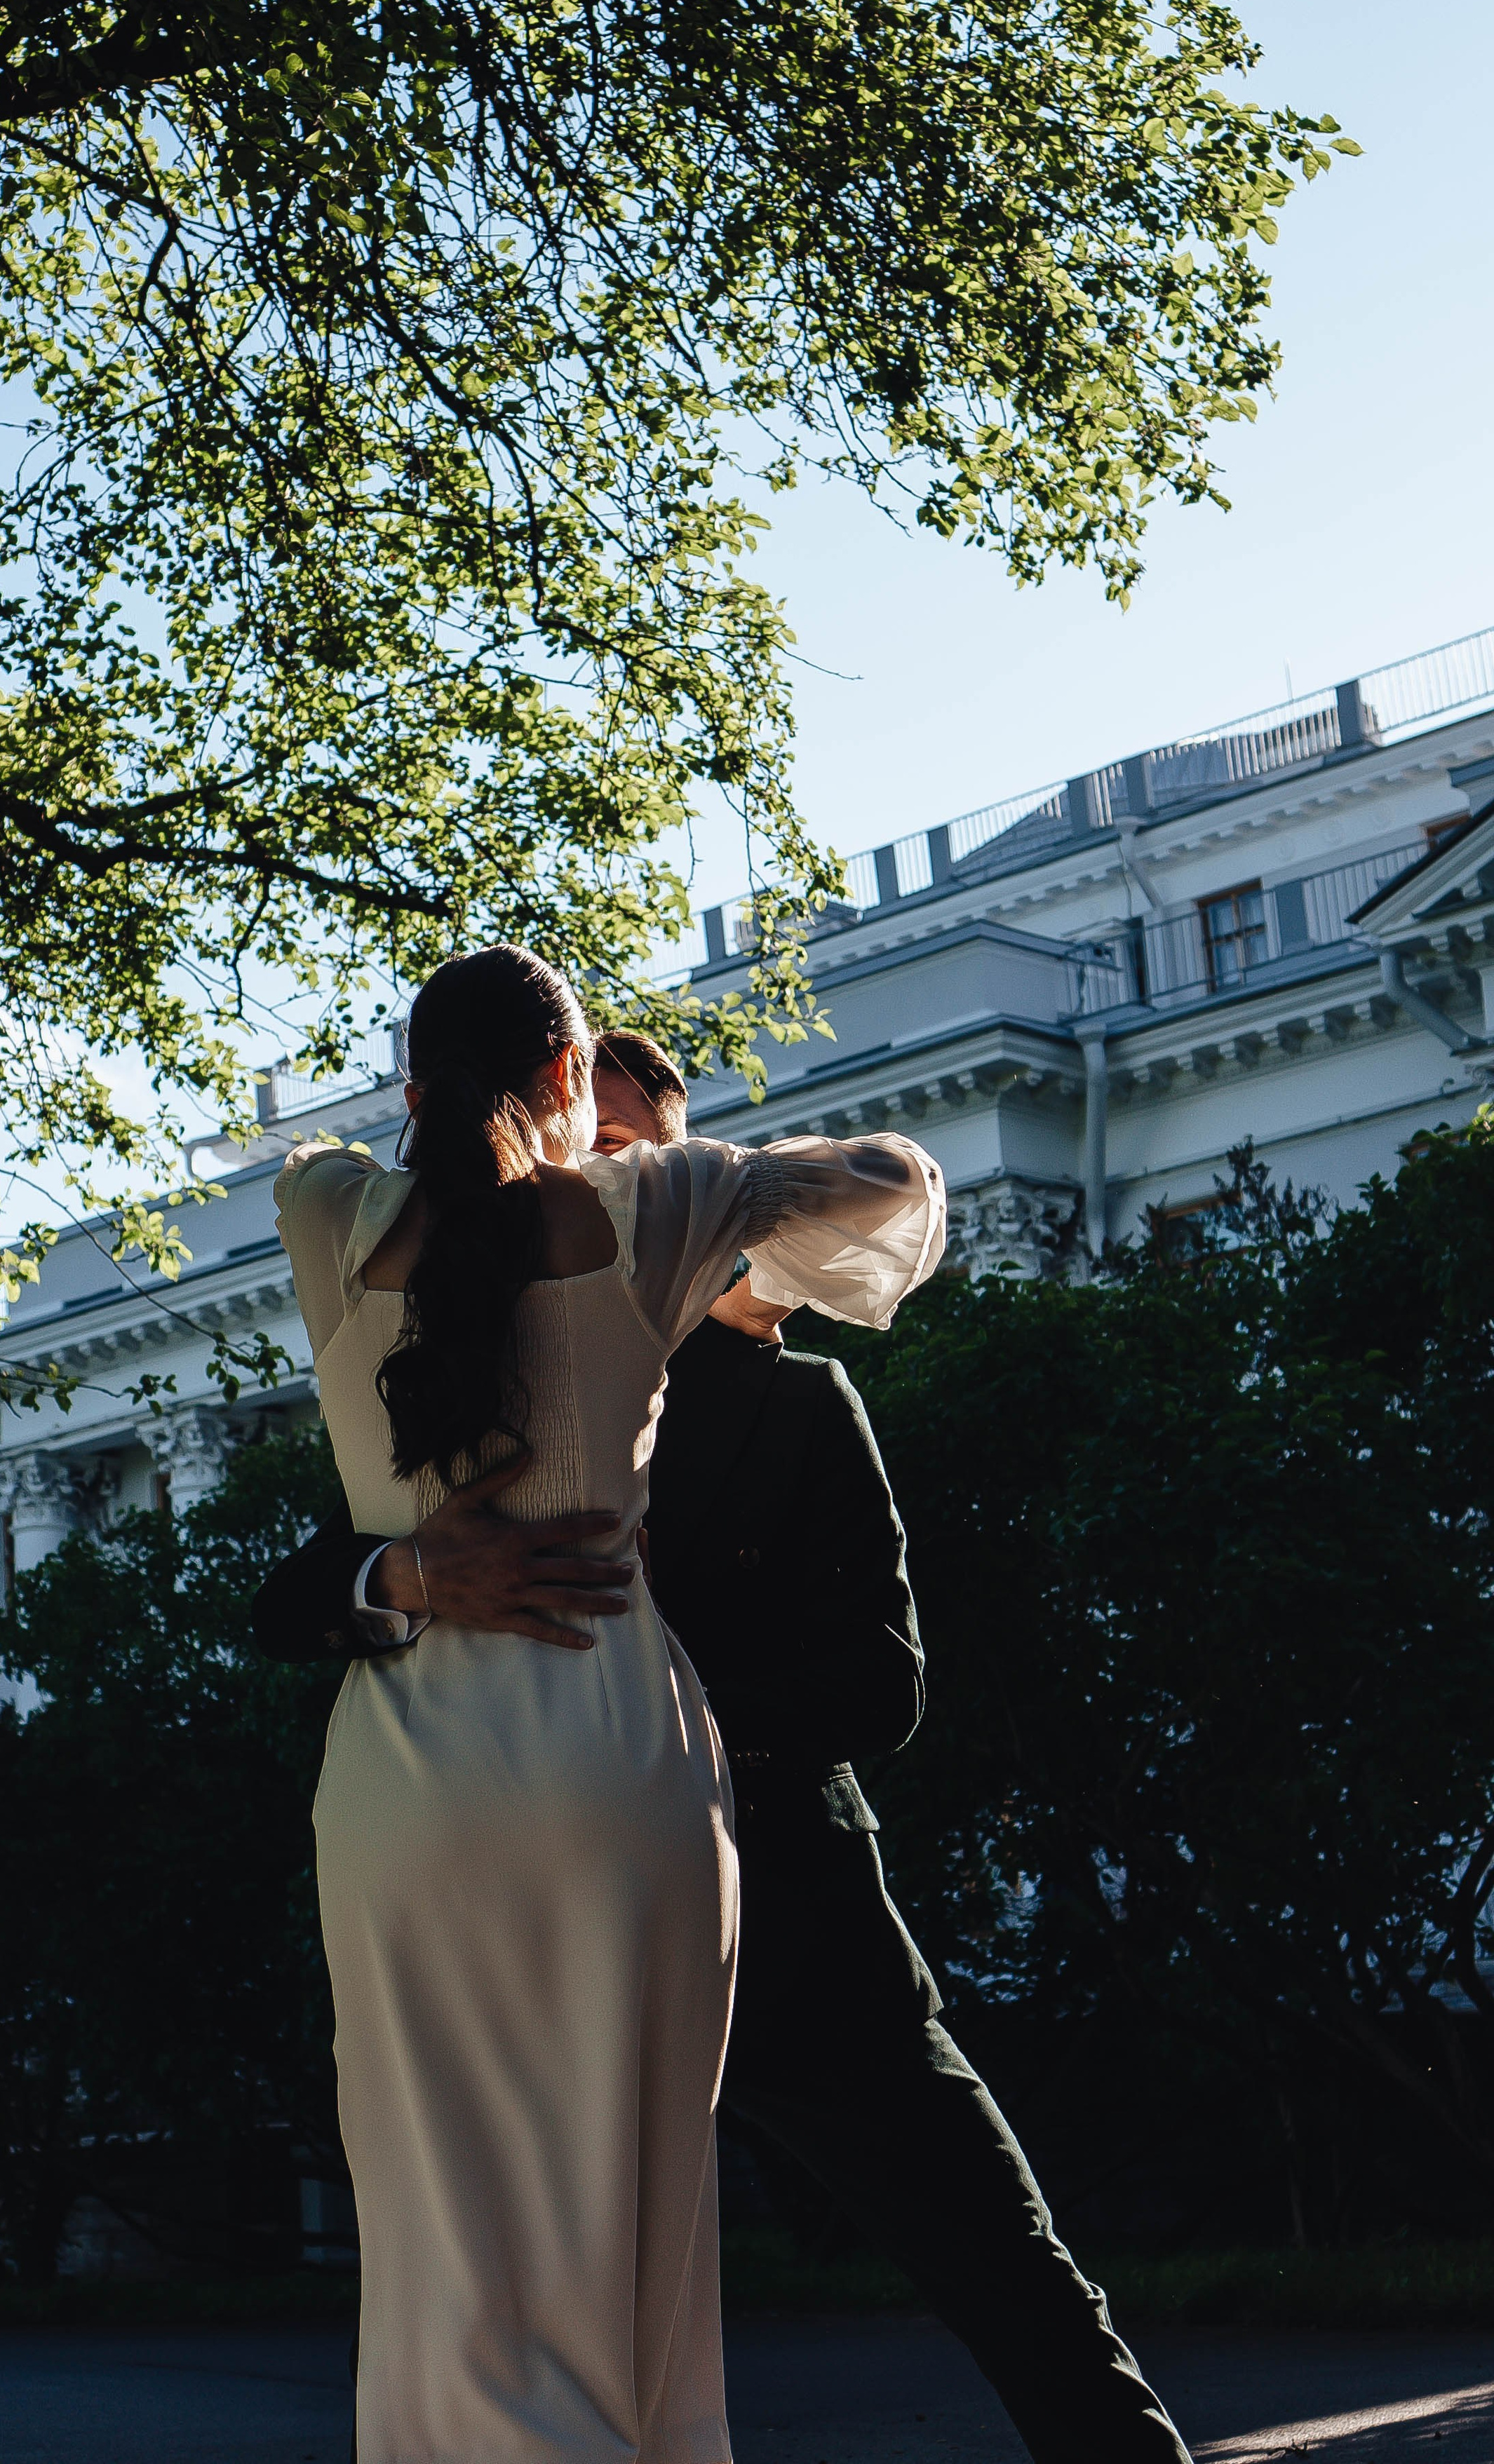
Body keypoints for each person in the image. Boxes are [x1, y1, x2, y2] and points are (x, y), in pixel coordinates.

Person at [259, 1026, 1193, 2464]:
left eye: (631, 1160)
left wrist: (658, 1720)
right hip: (523, 1895)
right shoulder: (465, 1373)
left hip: (783, 1905)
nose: (596, 1185)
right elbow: (295, 1590)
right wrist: (410, 1584)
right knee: (519, 2268)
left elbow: (880, 1684)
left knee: (991, 2248)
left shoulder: (799, 1400)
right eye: (582, 1157)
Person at [270, 947, 946, 2464]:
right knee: (624, 2209)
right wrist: (676, 1165)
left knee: (435, 2227)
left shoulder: (324, 1212)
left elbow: (348, 1170)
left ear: (413, 1092)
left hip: (402, 1793)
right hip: (614, 1760)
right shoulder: (647, 1210)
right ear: (573, 1080)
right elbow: (893, 1188)